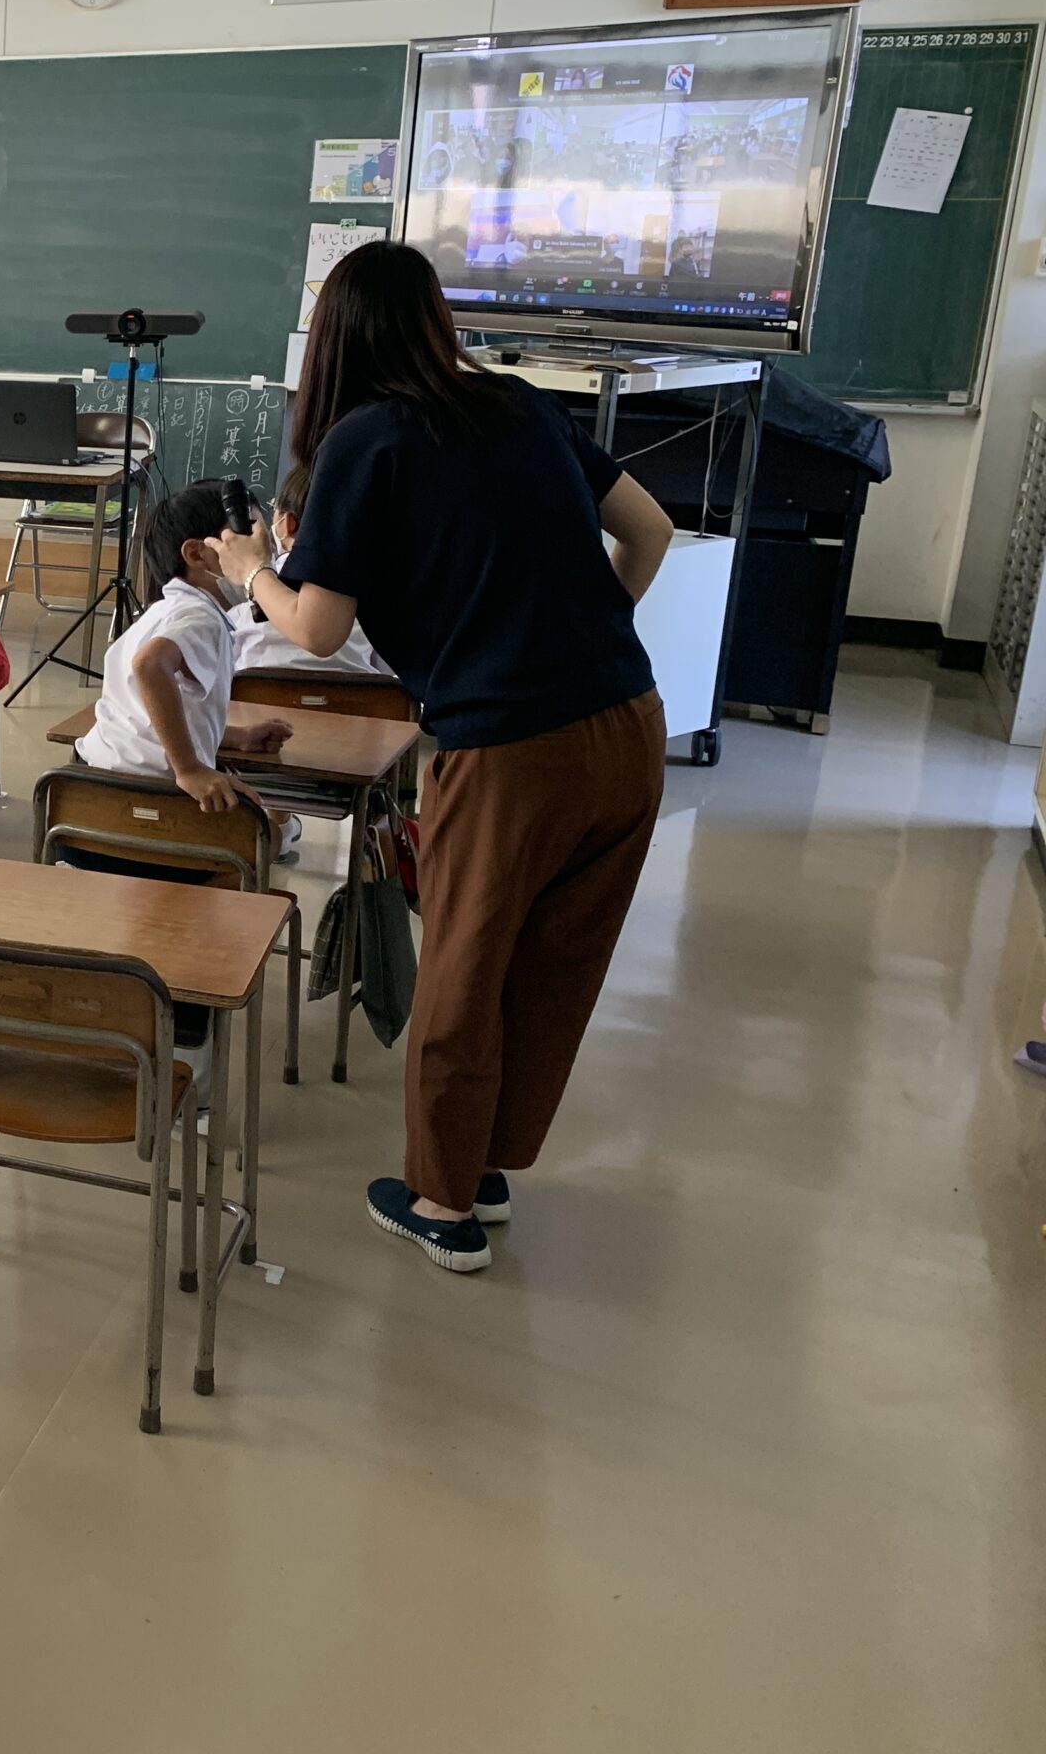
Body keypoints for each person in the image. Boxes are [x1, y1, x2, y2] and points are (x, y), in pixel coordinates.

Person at [206, 240, 673, 1274]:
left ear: (332, 342)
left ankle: (442, 1203)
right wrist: (581, 636)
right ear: (434, 323)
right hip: (629, 722)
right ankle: (483, 1165)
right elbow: (651, 531)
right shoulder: (521, 405)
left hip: (509, 749)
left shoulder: (364, 441)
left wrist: (250, 571)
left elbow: (317, 628)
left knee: (464, 966)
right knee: (551, 964)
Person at [77, 481, 293, 822]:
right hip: (148, 802)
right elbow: (149, 666)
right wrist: (190, 769)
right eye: (246, 541)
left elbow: (153, 716)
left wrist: (235, 736)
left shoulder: (165, 610)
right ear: (195, 554)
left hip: (91, 790)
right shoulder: (200, 617)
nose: (261, 555)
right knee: (264, 831)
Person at [232, 465, 389, 680]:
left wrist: (254, 572)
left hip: (258, 701)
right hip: (359, 700)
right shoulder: (376, 594)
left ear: (287, 523)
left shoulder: (244, 603)